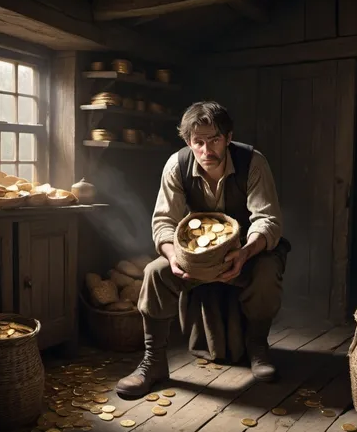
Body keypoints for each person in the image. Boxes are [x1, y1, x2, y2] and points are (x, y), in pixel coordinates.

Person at [116, 101, 289, 398]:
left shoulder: (253, 163)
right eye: (198, 142)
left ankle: (258, 346)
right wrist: (173, 257)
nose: (207, 150)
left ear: (229, 137)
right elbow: (164, 222)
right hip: (193, 258)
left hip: (245, 254)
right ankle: (154, 361)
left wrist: (245, 253)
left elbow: (268, 220)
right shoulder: (177, 164)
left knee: (267, 270)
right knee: (154, 273)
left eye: (215, 140)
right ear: (188, 141)